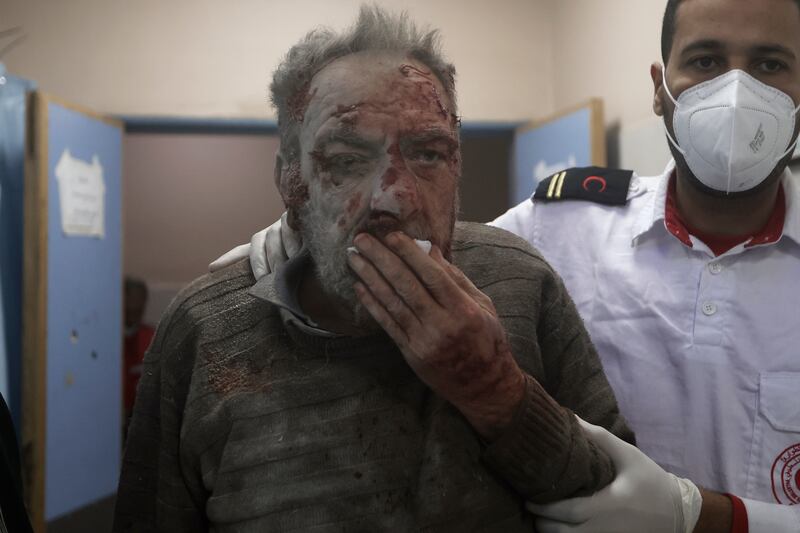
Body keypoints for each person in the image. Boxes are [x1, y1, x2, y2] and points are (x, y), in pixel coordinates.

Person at [212, 0, 800, 530]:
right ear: (659, 87)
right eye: (704, 60)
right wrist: (307, 231)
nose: (735, 91)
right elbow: (425, 247)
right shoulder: (560, 227)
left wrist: (707, 518)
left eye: (771, 64)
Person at [114, 7, 636, 532]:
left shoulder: (520, 279)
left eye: (429, 154)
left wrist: (495, 389)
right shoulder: (204, 330)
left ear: (456, 167)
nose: (395, 196)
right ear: (294, 183)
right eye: (346, 159)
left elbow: (624, 503)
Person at [122, 277, 154, 432]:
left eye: (139, 306)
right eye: (130, 306)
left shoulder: (151, 337)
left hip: (141, 419)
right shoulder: (105, 341)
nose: (135, 310)